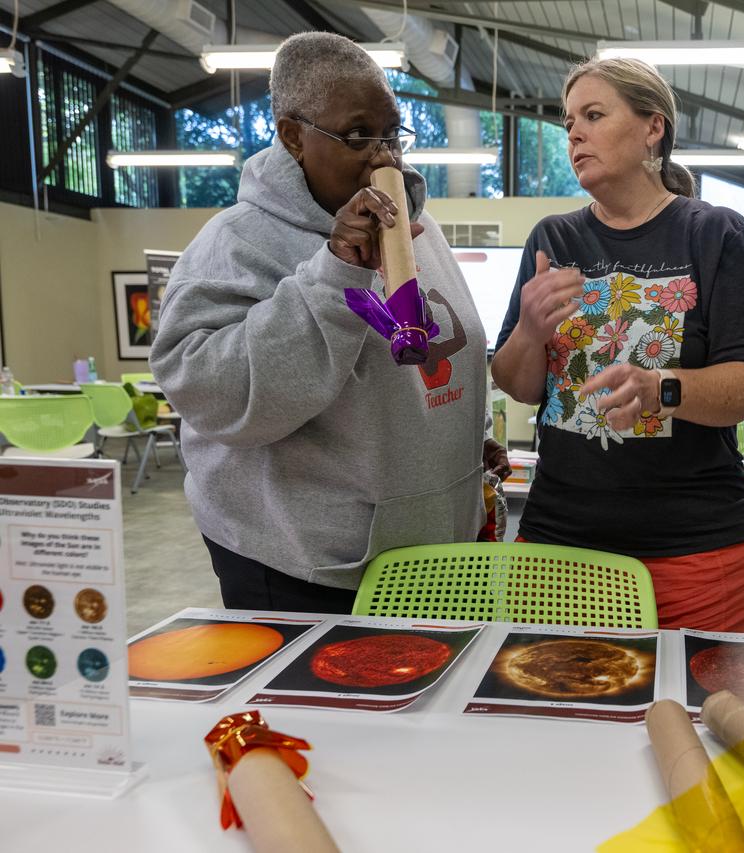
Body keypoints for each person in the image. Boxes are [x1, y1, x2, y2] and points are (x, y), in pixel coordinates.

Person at [151, 33, 508, 613]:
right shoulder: (236, 243)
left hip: (431, 556)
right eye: (357, 134)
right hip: (310, 567)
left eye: (391, 133)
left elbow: (429, 357)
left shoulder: (421, 229)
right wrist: (335, 271)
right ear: (294, 136)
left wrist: (459, 442)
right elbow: (210, 394)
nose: (383, 155)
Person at [491, 58, 744, 631]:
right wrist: (529, 330)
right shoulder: (554, 237)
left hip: (697, 551)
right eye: (568, 120)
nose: (573, 132)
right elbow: (520, 385)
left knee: (702, 718)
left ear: (654, 128)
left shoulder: (714, 233)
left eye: (593, 115)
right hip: (560, 550)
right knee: (552, 718)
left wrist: (663, 387)